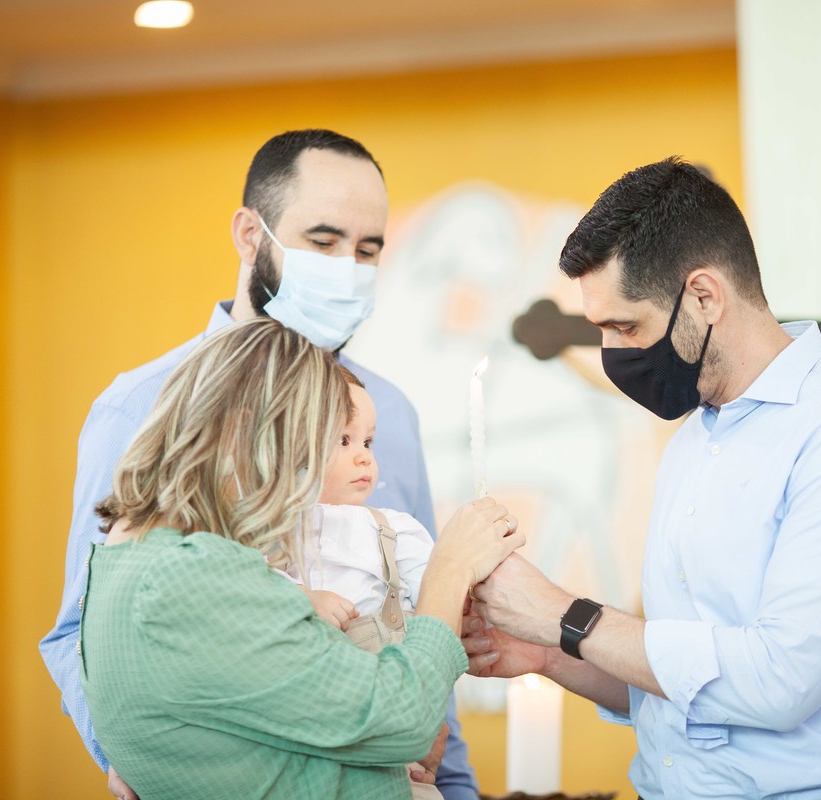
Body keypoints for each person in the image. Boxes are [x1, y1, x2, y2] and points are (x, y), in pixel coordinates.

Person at [463, 158, 821, 800]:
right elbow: (688, 688)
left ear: (705, 296)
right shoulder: (694, 440)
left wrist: (564, 614)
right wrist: (548, 651)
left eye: (626, 327)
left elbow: (779, 682)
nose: (612, 354)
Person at [40, 129, 479, 799]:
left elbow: (417, 619)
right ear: (250, 235)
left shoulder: (387, 409)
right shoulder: (141, 407)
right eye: (324, 241)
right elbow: (84, 626)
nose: (348, 267)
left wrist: (452, 782)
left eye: (367, 250)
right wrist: (139, 756)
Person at [82, 316, 522, 800]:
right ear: (243, 433)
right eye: (305, 447)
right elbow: (402, 720)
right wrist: (450, 570)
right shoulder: (193, 573)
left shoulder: (138, 560)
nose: (303, 480)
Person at [276, 367, 444, 797]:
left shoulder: (394, 529)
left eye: (367, 442)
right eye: (343, 441)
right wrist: (299, 598)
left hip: (386, 723)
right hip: (299, 734)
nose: (364, 457)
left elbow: (441, 590)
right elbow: (241, 592)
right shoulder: (272, 533)